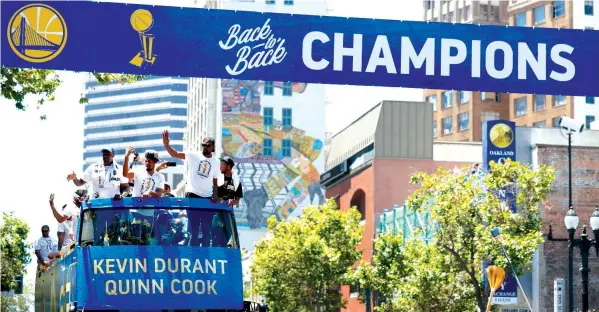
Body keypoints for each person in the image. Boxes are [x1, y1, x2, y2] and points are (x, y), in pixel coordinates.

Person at [162, 130, 219, 202]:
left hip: (207, 196)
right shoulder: (193, 155)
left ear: (213, 147)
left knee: (206, 214)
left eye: (207, 145)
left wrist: (215, 194)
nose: (205, 147)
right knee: (192, 214)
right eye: (203, 145)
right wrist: (166, 145)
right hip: (192, 194)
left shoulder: (216, 161)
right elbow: (174, 154)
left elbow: (215, 180)